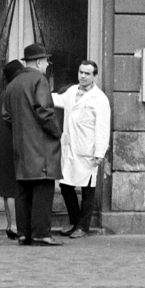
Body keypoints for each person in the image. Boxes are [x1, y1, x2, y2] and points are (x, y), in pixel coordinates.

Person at [0, 42, 62, 246]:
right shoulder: (39, 79)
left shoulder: (13, 84)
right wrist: (57, 131)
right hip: (41, 146)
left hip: (20, 146)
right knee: (43, 189)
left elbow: (6, 116)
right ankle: (41, 233)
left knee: (23, 190)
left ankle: (24, 233)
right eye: (45, 61)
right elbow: (44, 111)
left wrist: (22, 129)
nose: (47, 64)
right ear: (38, 61)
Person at [54, 59, 111, 238]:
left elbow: (102, 127)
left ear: (94, 76)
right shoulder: (72, 91)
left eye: (87, 73)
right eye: (81, 72)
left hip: (88, 149)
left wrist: (99, 153)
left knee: (88, 189)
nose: (83, 76)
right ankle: (74, 221)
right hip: (70, 147)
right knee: (65, 185)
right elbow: (58, 99)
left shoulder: (99, 98)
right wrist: (38, 92)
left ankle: (83, 227)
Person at [0, 59, 23, 239]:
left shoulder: (4, 93)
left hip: (2, 144)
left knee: (7, 187)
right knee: (12, 187)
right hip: (11, 143)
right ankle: (14, 225)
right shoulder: (13, 93)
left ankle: (10, 223)